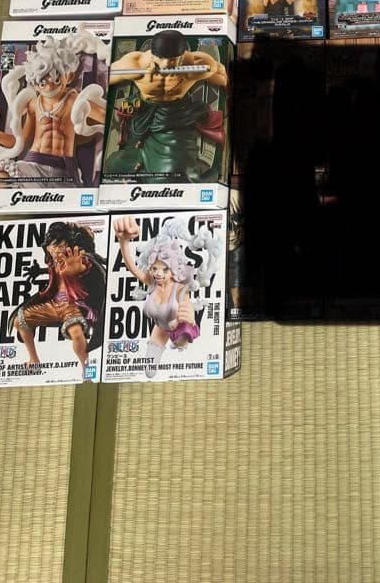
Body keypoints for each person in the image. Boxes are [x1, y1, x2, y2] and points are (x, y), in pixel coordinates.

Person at [103, 29, 227, 182]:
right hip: (144, 114)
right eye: (161, 58)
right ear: (153, 54)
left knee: (173, 174)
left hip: (176, 116)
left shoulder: (196, 64)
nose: (166, 64)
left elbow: (222, 76)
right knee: (114, 165)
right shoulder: (135, 64)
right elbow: (103, 78)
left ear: (182, 54)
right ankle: (140, 160)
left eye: (173, 59)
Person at [0, 33, 107, 186]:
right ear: (35, 84)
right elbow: (19, 141)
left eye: (56, 79)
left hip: (64, 169)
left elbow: (106, 117)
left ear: (69, 77)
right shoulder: (33, 104)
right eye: (42, 82)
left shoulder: (74, 101)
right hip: (33, 164)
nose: (49, 87)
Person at [113, 215, 221, 379]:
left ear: (174, 269)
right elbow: (131, 267)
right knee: (149, 371)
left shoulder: (180, 289)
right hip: (160, 328)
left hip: (179, 331)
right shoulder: (151, 282)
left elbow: (187, 309)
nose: (158, 274)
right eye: (155, 268)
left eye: (165, 270)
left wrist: (190, 318)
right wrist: (123, 241)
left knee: (181, 342)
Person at [12, 219, 106, 376]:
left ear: (68, 246)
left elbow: (85, 268)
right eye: (54, 246)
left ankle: (87, 370)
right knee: (19, 321)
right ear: (48, 247)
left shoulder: (75, 258)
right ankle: (34, 360)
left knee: (77, 333)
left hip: (73, 305)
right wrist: (39, 271)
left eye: (62, 246)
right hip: (54, 304)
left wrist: (79, 269)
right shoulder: (52, 261)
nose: (57, 251)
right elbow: (54, 273)